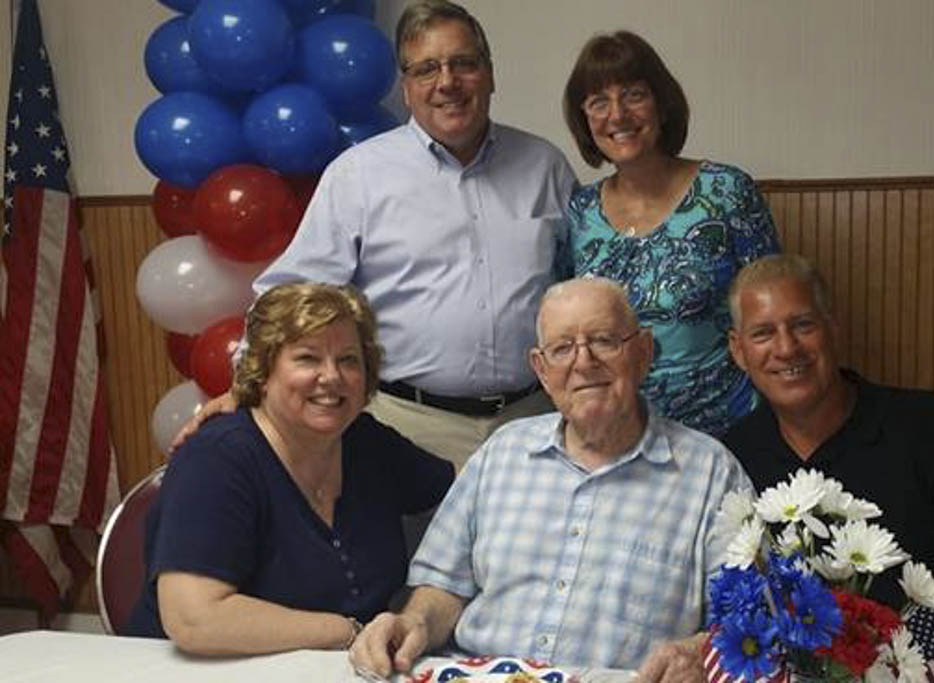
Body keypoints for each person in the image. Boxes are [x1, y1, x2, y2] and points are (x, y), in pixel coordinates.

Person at [177, 0, 577, 470]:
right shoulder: (358, 176)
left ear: (489, 74)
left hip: (532, 423)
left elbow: (578, 286)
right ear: (406, 88)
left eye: (463, 63)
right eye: (426, 69)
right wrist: (243, 388)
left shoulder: (545, 166)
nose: (447, 82)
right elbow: (289, 295)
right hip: (407, 429)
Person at [349, 277, 752, 682]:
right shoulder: (501, 453)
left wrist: (697, 652)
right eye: (562, 348)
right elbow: (442, 587)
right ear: (541, 370)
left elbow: (747, 622)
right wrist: (413, 622)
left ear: (644, 352)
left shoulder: (711, 474)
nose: (584, 361)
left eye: (604, 340)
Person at [723, 253, 934, 682]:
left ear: (833, 327)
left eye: (803, 325)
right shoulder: (731, 459)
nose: (786, 348)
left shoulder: (933, 428)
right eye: (763, 333)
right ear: (738, 350)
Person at [127, 283, 455, 655]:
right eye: (307, 358)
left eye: (348, 359)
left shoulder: (367, 442)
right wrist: (349, 633)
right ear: (263, 371)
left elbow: (468, 495)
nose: (331, 376)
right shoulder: (217, 458)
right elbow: (195, 619)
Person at [562, 31, 779, 438]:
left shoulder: (726, 192)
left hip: (728, 430)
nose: (618, 114)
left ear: (662, 105)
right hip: (617, 434)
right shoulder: (579, 212)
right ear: (584, 121)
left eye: (633, 95)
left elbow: (772, 311)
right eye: (598, 102)